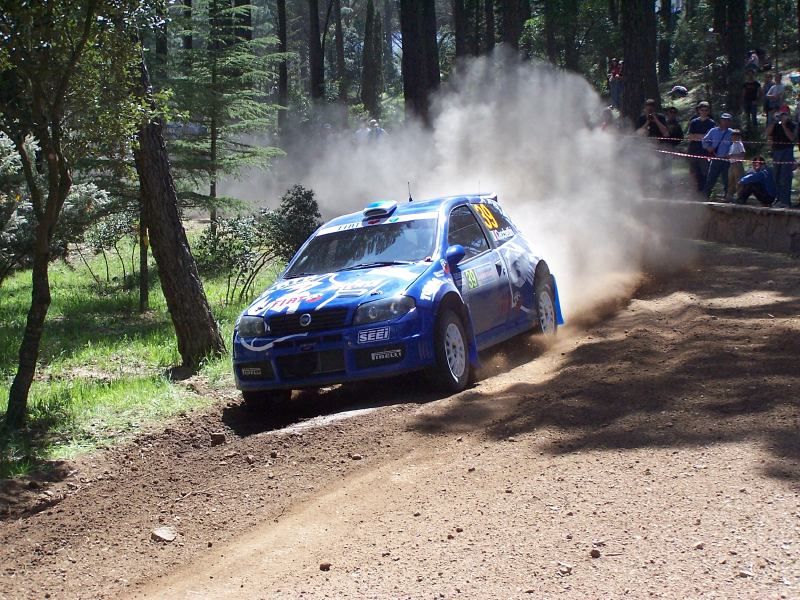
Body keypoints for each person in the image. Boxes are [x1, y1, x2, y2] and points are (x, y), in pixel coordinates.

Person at [766, 109, 796, 207]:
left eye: (784, 114)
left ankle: (785, 201)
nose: (782, 116)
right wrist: (774, 121)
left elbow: (792, 138)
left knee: (785, 177)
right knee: (776, 176)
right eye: (781, 114)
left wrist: (784, 125)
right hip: (776, 152)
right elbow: (768, 133)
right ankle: (778, 199)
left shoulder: (792, 124)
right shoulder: (775, 124)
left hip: (787, 151)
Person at [702, 112, 734, 199]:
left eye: (728, 120)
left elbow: (736, 144)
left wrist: (730, 154)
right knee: (711, 178)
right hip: (715, 159)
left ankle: (728, 197)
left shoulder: (732, 133)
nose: (726, 122)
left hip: (726, 160)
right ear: (720, 120)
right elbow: (704, 141)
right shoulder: (713, 131)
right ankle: (705, 196)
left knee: (727, 180)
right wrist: (708, 147)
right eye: (724, 120)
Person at [686, 101, 716, 193]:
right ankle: (693, 192)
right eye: (702, 110)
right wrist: (703, 136)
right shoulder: (694, 122)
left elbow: (711, 138)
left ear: (708, 111)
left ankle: (705, 192)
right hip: (693, 151)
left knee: (705, 173)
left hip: (705, 151)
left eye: (706, 110)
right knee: (693, 172)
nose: (704, 112)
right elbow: (690, 137)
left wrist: (698, 136)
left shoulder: (711, 123)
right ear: (698, 110)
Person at [725, 129, 746, 202]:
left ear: (738, 137)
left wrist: (732, 155)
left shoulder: (740, 144)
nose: (734, 137)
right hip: (731, 164)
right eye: (733, 135)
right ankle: (729, 196)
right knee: (731, 181)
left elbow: (742, 154)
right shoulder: (732, 145)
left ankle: (740, 197)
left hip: (737, 164)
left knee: (738, 181)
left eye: (736, 135)